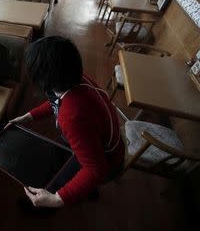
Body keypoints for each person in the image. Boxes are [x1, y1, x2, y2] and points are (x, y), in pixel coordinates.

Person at [9, 36, 125, 208]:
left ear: (45, 82)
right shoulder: (74, 79)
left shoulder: (71, 117)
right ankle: (87, 190)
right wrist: (28, 116)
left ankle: (42, 207)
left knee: (58, 177)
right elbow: (55, 102)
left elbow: (96, 170)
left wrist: (56, 200)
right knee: (67, 164)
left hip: (108, 162)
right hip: (106, 147)